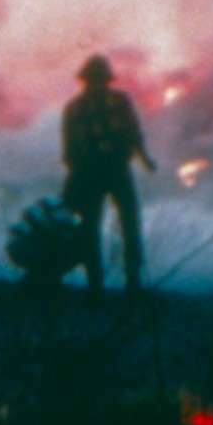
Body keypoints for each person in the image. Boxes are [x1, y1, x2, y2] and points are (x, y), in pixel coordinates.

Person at [59, 54, 157, 294]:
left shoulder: (73, 108)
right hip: (115, 168)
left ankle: (97, 284)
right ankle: (132, 283)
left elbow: (69, 150)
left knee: (91, 226)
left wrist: (76, 176)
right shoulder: (118, 100)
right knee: (129, 223)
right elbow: (133, 132)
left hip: (90, 171)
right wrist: (145, 159)